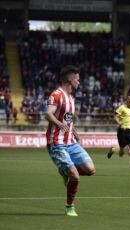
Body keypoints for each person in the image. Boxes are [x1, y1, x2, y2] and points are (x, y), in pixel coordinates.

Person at [45, 65, 96, 217]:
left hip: (71, 142)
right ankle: (69, 206)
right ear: (70, 79)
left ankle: (64, 171)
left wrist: (76, 134)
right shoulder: (56, 95)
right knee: (75, 176)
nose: (79, 83)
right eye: (77, 80)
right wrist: (58, 124)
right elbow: (48, 114)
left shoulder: (72, 99)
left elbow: (68, 121)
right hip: (57, 143)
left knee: (91, 170)